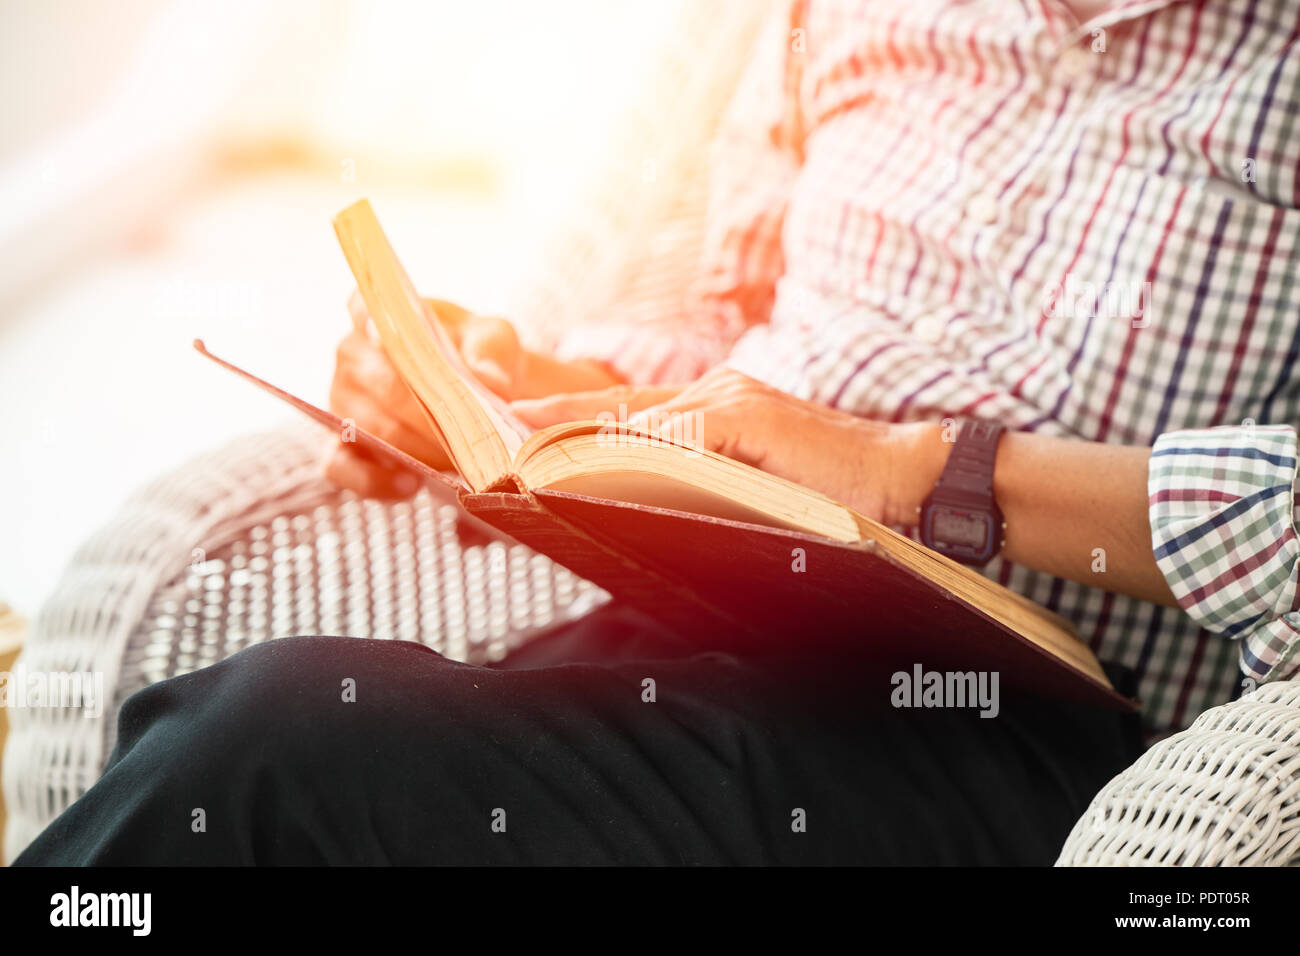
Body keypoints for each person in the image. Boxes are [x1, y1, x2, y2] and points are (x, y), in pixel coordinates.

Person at [16, 0, 1300, 865]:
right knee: (238, 744)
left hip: (1013, 724)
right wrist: (525, 386)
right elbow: (720, 342)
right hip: (722, 607)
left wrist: (922, 473)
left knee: (265, 749)